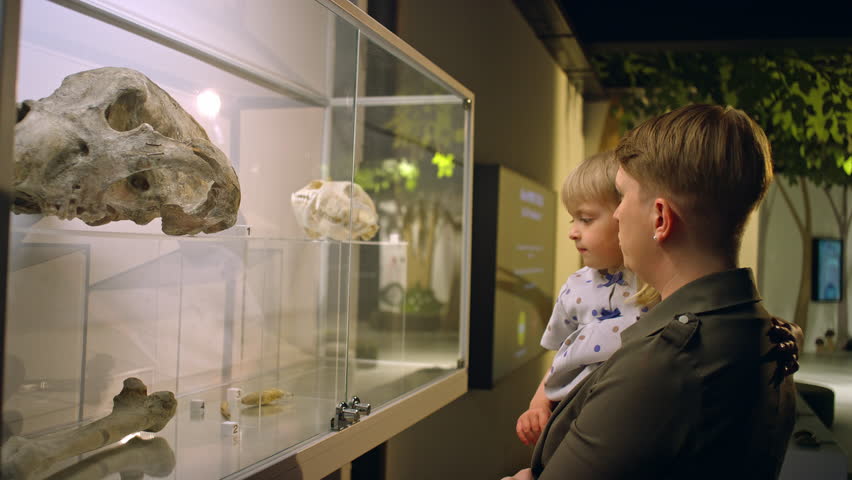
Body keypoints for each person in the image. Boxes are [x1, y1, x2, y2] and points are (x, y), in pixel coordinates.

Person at [509, 104, 800, 480]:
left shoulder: (661, 364)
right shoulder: (767, 334)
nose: (616, 215)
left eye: (623, 197)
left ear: (659, 219)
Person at [515, 152, 654, 447]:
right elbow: (562, 358)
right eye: (572, 218)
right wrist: (538, 404)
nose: (572, 232)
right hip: (573, 423)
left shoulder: (652, 282)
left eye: (586, 219)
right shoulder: (574, 287)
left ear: (624, 215)